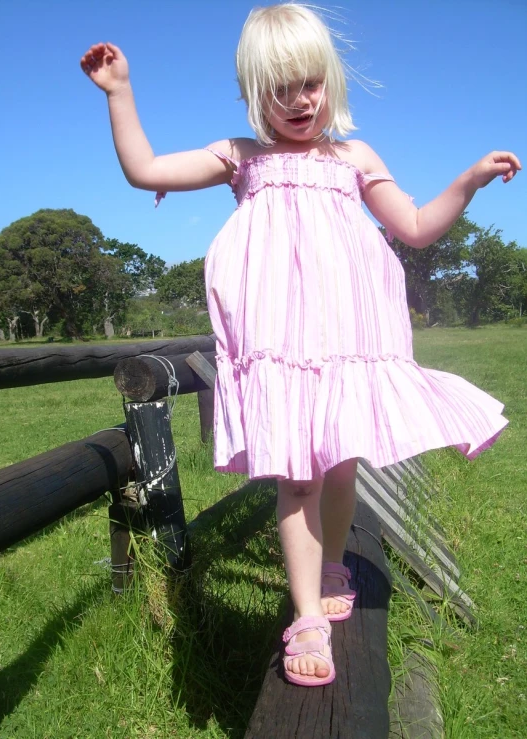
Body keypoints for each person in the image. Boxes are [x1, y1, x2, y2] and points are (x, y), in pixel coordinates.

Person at [80, 2, 520, 687]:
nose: (299, 100)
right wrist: (120, 93)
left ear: (330, 80)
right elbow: (145, 169)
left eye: (310, 82)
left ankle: (335, 560)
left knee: (341, 467)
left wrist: (466, 180)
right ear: (256, 92)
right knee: (298, 475)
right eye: (280, 87)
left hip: (350, 342)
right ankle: (307, 612)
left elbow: (413, 225)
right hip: (279, 348)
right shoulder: (241, 157)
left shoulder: (355, 156)